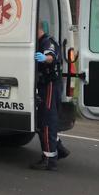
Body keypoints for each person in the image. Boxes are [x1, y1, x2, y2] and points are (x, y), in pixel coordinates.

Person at [30, 20, 70, 170]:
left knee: (46, 120)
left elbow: (51, 56)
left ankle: (49, 159)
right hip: (44, 85)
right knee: (43, 121)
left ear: (37, 29)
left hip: (50, 85)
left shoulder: (47, 41)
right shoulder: (39, 42)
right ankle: (58, 149)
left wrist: (44, 58)